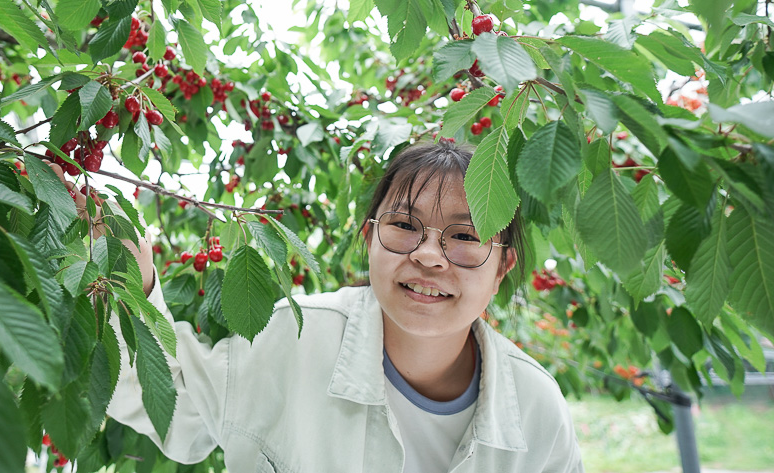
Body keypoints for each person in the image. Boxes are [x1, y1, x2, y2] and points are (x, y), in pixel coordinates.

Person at [56, 140, 584, 472]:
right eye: (404, 225)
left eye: (465, 236)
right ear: (369, 238)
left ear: (503, 268)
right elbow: (168, 404)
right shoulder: (292, 338)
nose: (428, 256)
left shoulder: (536, 409)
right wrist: (132, 272)